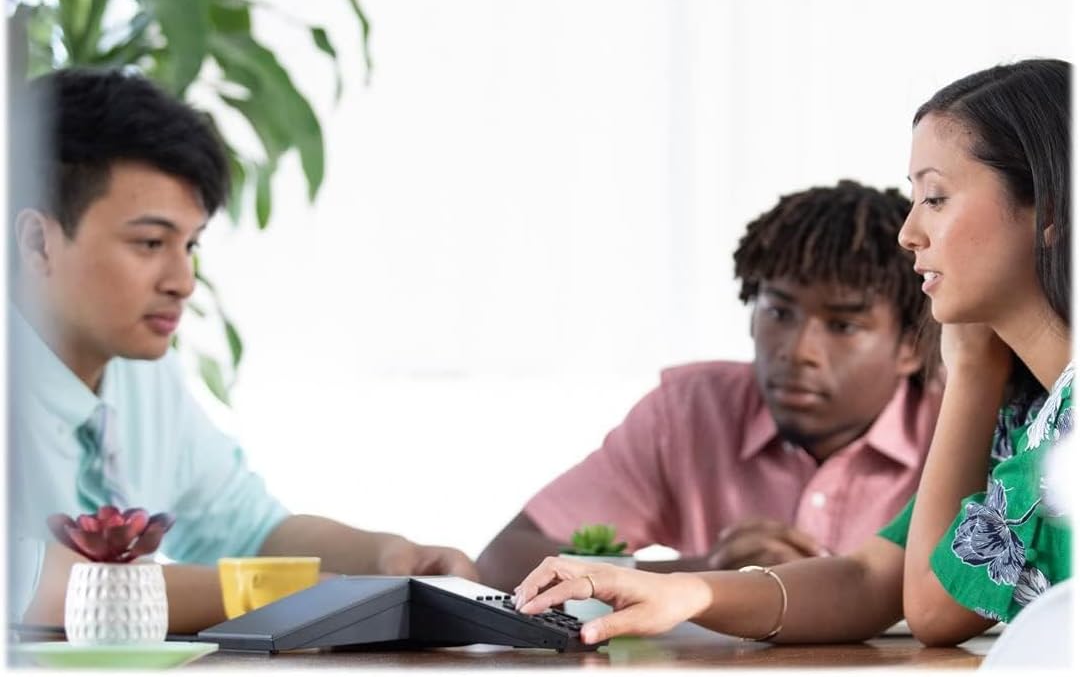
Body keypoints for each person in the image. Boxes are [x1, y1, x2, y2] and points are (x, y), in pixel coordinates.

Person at [512, 58, 1072, 648]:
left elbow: (933, 609)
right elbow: (870, 576)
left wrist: (971, 371)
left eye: (935, 197)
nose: (909, 232)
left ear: (1052, 212)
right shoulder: (1027, 418)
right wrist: (690, 590)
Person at [6, 68, 477, 634]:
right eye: (150, 243)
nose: (183, 279)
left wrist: (387, 558)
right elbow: (38, 585)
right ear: (37, 241)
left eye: (191, 244)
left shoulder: (143, 379)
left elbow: (254, 532)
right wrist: (298, 593)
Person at [478, 180, 941, 592]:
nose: (798, 350)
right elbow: (503, 561)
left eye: (842, 325)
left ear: (912, 346)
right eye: (778, 312)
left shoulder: (963, 426)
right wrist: (705, 574)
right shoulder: (689, 413)